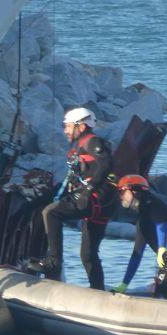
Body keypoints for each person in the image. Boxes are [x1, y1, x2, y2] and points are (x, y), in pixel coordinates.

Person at [40, 107, 116, 288]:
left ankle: (54, 261)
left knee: (51, 213)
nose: (65, 131)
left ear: (81, 127)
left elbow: (106, 164)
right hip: (101, 203)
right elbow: (73, 178)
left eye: (68, 126)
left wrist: (88, 189)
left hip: (95, 199)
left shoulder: (92, 141)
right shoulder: (79, 146)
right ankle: (98, 290)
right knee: (88, 255)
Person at [110, 174, 167, 299]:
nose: (120, 196)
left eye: (122, 192)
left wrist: (161, 248)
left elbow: (161, 224)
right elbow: (137, 254)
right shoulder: (142, 221)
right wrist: (124, 284)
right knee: (159, 293)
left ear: (134, 191)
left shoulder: (152, 203)